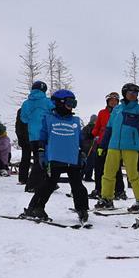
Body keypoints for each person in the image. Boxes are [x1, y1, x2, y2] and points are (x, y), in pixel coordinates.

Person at [20, 90, 89, 225]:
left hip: (72, 158)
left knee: (78, 186)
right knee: (49, 184)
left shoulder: (75, 121)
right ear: (58, 103)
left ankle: (82, 209)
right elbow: (42, 139)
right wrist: (41, 154)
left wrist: (83, 153)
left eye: (74, 103)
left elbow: (80, 140)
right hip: (55, 157)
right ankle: (35, 208)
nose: (72, 106)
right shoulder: (49, 119)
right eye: (69, 103)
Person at [96, 83, 139, 210]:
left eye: (136, 93)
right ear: (125, 93)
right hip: (113, 145)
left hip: (130, 146)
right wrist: (102, 145)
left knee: (133, 174)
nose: (133, 95)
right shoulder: (117, 109)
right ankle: (106, 198)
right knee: (108, 173)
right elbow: (109, 128)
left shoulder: (138, 108)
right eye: (131, 92)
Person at [20, 81, 54, 192]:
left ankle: (43, 182)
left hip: (33, 136)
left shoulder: (26, 103)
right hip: (45, 135)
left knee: (37, 158)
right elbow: (54, 113)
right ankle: (32, 185)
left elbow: (23, 119)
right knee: (42, 160)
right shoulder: (48, 102)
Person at [90, 92, 124, 200]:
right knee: (99, 167)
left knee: (115, 168)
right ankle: (99, 189)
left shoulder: (121, 112)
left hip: (114, 144)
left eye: (115, 101)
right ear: (108, 102)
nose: (113, 103)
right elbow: (97, 127)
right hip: (101, 144)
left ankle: (119, 190)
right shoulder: (102, 112)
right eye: (111, 101)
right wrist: (95, 133)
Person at [15, 107, 31, 185]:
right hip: (31, 138)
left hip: (26, 138)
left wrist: (20, 138)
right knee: (37, 158)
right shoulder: (37, 108)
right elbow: (18, 127)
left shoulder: (22, 110)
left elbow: (18, 127)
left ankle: (23, 179)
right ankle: (23, 178)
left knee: (25, 159)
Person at [80, 114, 97, 182]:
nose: (95, 122)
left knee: (92, 163)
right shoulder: (87, 128)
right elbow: (83, 137)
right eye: (95, 120)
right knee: (86, 162)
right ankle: (81, 175)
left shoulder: (96, 127)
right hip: (87, 147)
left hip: (93, 148)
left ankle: (88, 176)